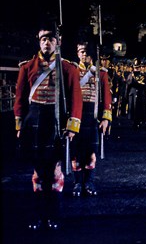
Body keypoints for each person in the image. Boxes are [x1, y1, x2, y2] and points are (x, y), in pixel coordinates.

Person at [13, 23, 83, 230]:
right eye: (43, 38)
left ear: (58, 42)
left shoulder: (69, 68)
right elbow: (19, 99)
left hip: (57, 122)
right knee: (38, 173)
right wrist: (19, 125)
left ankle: (53, 214)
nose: (46, 42)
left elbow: (76, 99)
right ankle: (38, 215)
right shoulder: (26, 67)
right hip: (34, 122)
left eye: (51, 39)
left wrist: (72, 126)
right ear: (38, 41)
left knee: (54, 172)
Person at [70, 42, 112, 197]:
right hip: (76, 115)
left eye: (86, 52)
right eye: (80, 51)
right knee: (75, 154)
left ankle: (89, 182)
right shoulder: (72, 71)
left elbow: (107, 97)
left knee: (91, 154)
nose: (83, 55)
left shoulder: (100, 73)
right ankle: (77, 183)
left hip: (92, 116)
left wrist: (105, 119)